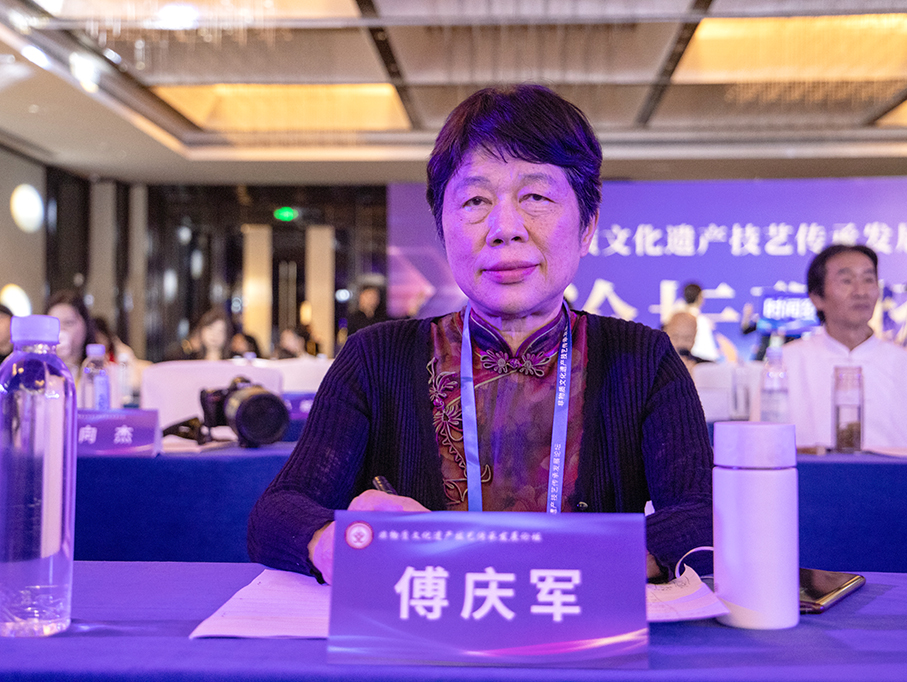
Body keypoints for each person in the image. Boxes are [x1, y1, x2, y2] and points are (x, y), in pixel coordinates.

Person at [248, 84, 712, 585]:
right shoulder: (376, 358)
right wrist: (339, 542)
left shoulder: (643, 359)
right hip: (429, 623)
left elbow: (704, 518)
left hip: (577, 621)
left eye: (536, 197)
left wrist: (569, 562)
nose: (504, 227)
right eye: (475, 200)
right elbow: (278, 513)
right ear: (442, 230)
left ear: (587, 226)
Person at [782, 244, 907, 450]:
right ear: (817, 297)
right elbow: (761, 444)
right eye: (847, 281)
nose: (861, 292)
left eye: (868, 280)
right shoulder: (787, 362)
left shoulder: (902, 362)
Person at [45, 290, 96, 378]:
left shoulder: (99, 367)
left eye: (68, 323)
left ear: (86, 325)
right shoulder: (39, 368)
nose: (61, 330)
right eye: (53, 325)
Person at [679, 283, 720, 362]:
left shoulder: (677, 319)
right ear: (699, 297)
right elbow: (709, 355)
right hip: (699, 363)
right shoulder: (701, 321)